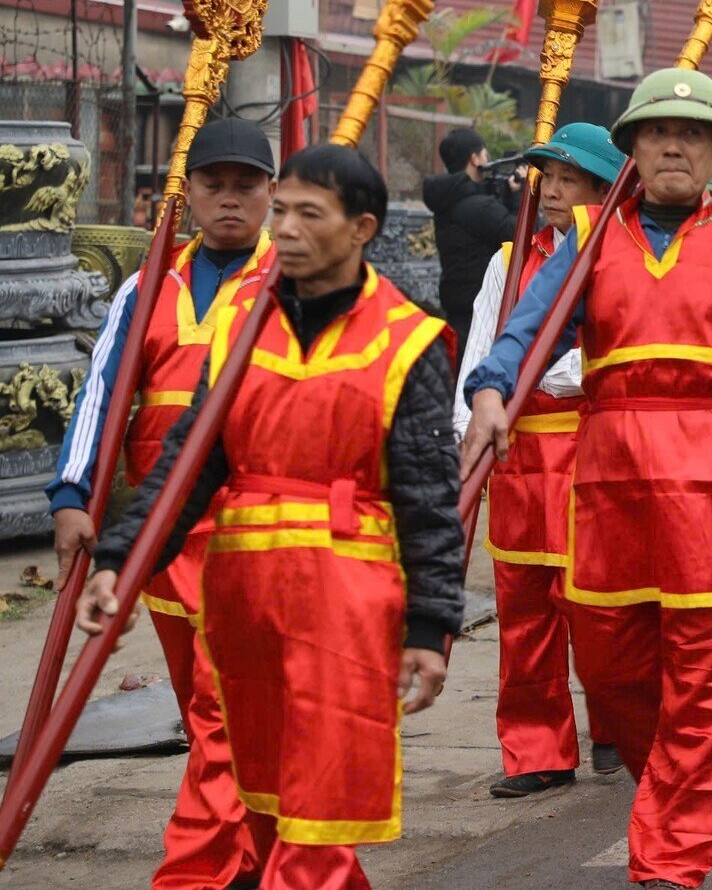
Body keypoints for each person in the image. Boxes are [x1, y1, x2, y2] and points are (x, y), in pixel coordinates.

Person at [463, 68, 712, 889]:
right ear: (632, 150)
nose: (676, 144)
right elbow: (525, 330)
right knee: (611, 673)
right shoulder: (590, 238)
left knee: (703, 682)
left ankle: (670, 857)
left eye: (695, 134)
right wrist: (490, 387)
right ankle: (666, 789)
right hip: (607, 484)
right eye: (659, 132)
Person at [81, 144, 464, 890]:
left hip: (348, 605)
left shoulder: (406, 340)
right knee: (264, 798)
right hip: (245, 601)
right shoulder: (239, 330)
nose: (283, 228)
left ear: (360, 230)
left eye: (307, 214)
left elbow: (428, 497)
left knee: (320, 811)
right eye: (280, 210)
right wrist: (122, 561)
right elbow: (186, 468)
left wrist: (430, 625)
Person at [47, 117, 277, 890]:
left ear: (271, 194)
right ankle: (264, 847)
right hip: (161, 530)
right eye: (214, 185)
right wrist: (74, 494)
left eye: (247, 186)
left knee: (221, 705)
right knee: (209, 702)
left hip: (253, 525)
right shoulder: (149, 284)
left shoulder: (297, 279)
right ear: (190, 195)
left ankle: (200, 870)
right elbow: (102, 395)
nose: (230, 200)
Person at [454, 123, 624, 797]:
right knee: (523, 608)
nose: (552, 191)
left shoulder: (620, 255)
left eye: (569, 180)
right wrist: (470, 427)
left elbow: (604, 359)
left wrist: (540, 373)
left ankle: (614, 723)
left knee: (601, 608)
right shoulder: (511, 255)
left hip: (592, 450)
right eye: (545, 178)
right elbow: (483, 347)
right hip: (522, 453)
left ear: (604, 189)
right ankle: (536, 750)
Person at [424, 126, 517, 356]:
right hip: (481, 311)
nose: (488, 160)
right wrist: (517, 197)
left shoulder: (448, 200)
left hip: (458, 304)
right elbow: (520, 233)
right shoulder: (479, 208)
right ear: (475, 159)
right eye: (485, 155)